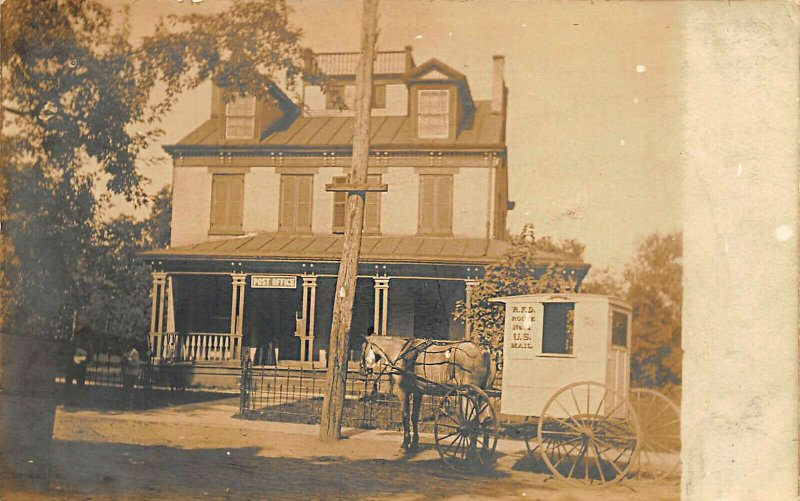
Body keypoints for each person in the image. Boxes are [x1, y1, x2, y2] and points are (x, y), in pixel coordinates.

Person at [67, 312, 95, 386]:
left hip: (80, 359)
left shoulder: (84, 337)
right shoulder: (81, 336)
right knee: (76, 377)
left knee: (77, 377)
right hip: (79, 359)